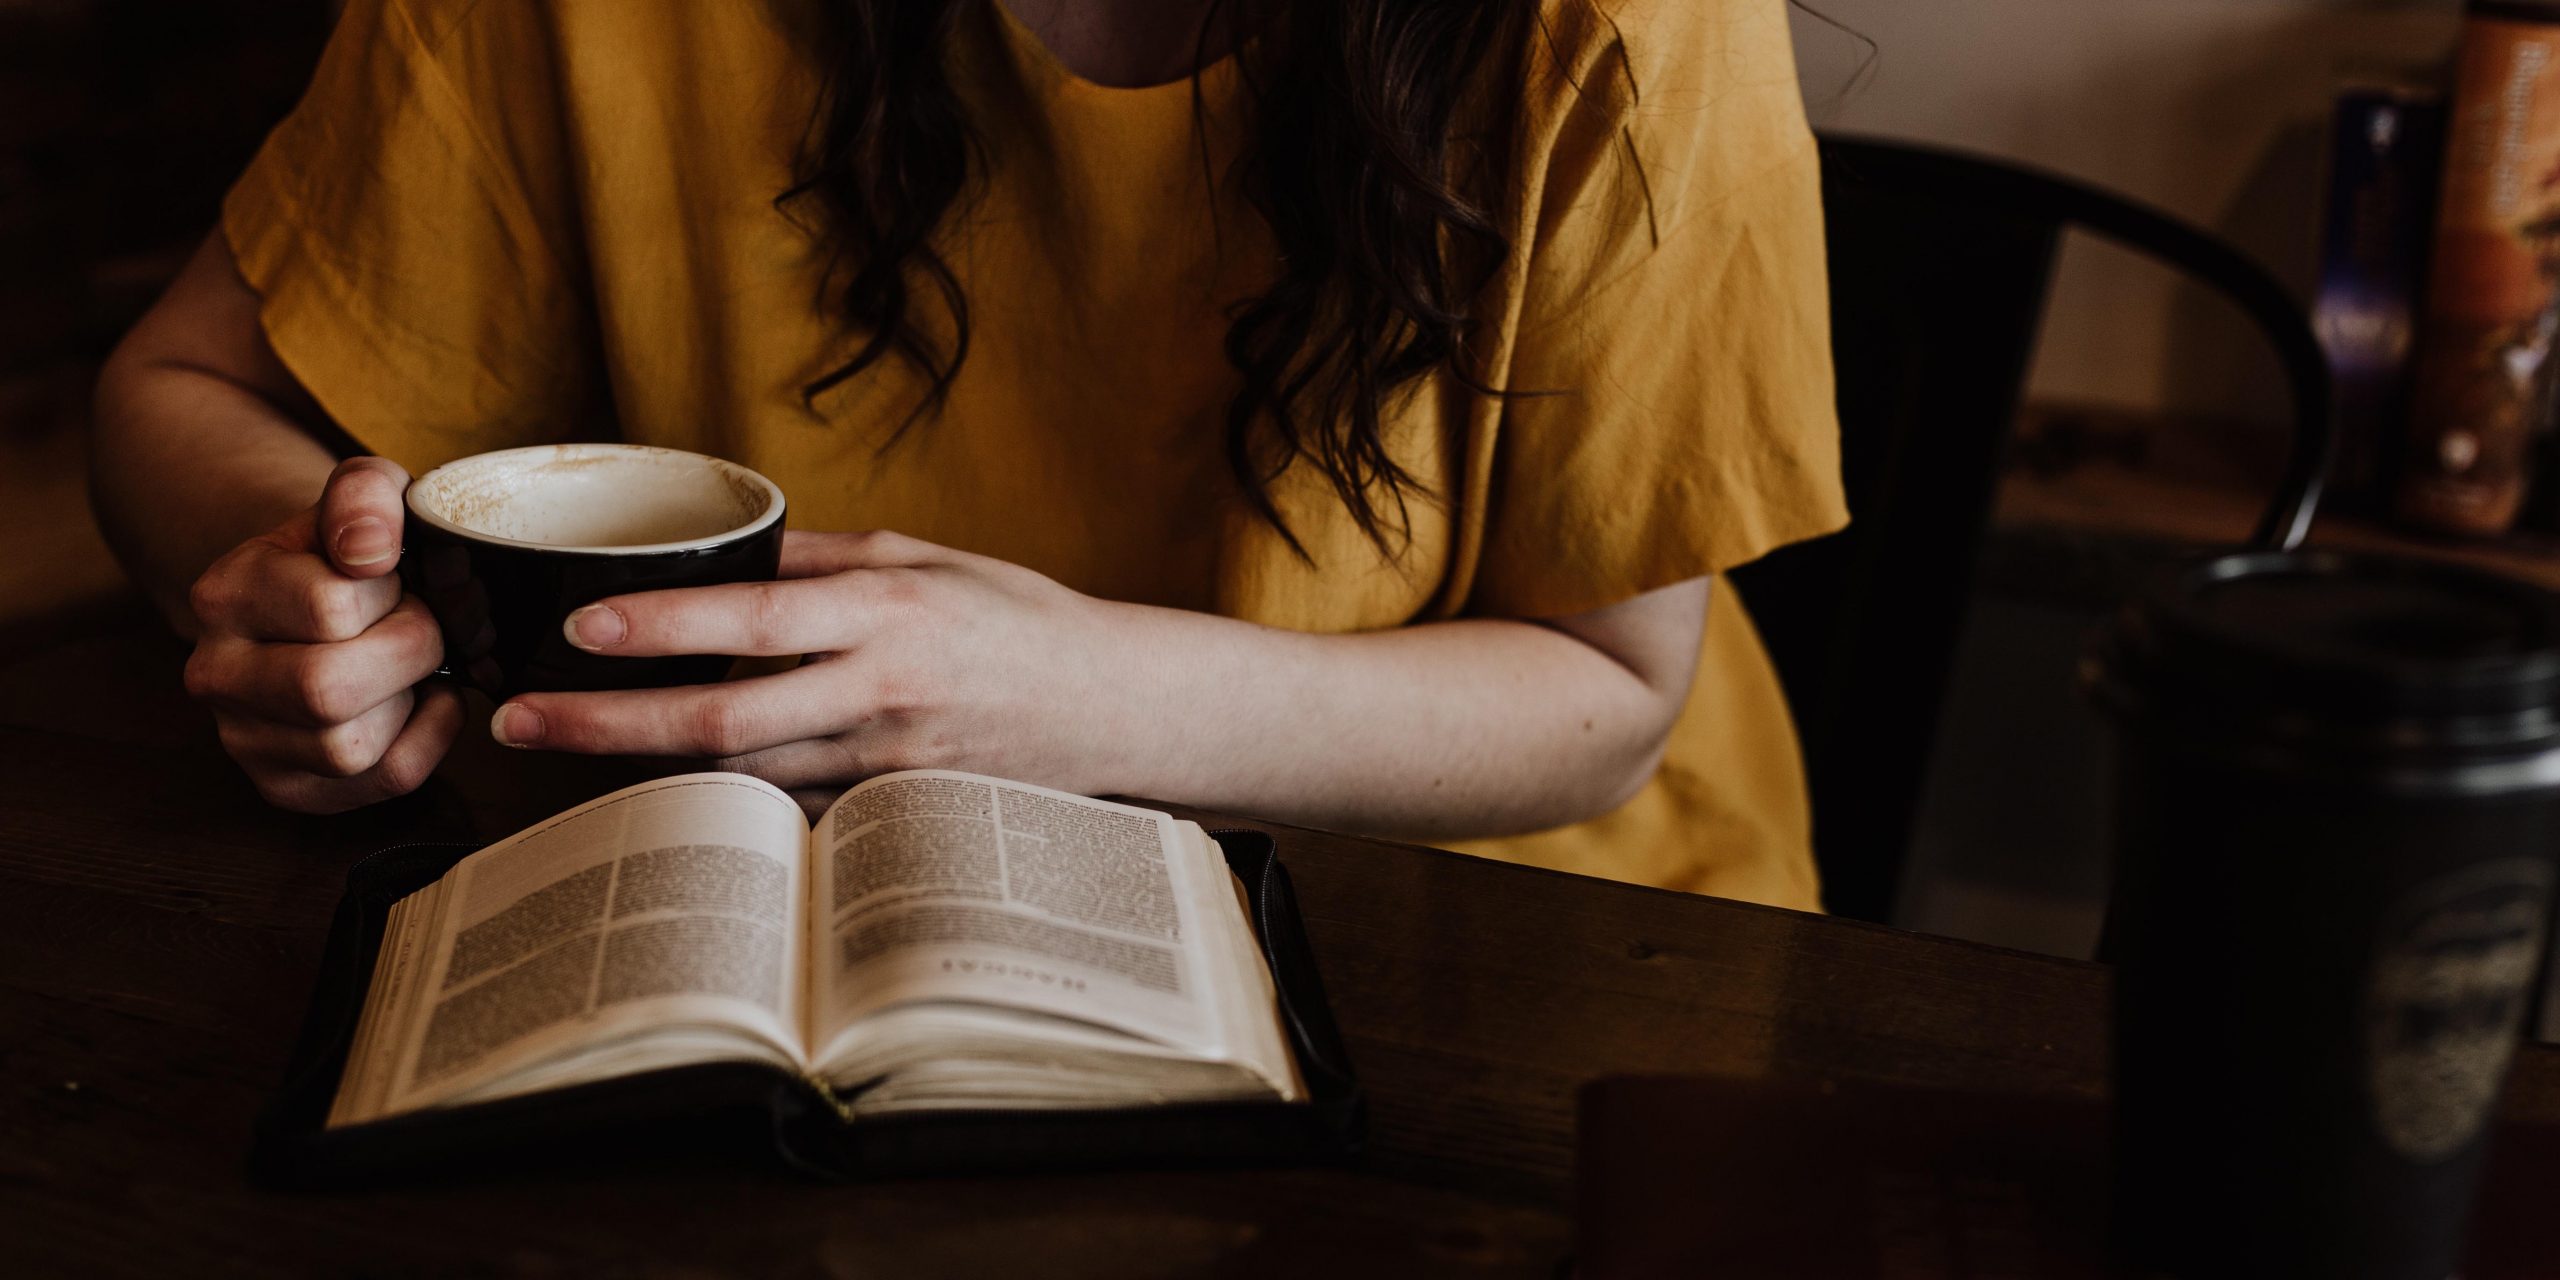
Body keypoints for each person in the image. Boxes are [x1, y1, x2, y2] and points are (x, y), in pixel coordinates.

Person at [89, 0, 1844, 908]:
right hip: (718, 899)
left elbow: (1614, 695)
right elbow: (173, 390)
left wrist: (1084, 706)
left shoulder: (1621, 23)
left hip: (1468, 925)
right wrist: (310, 591)